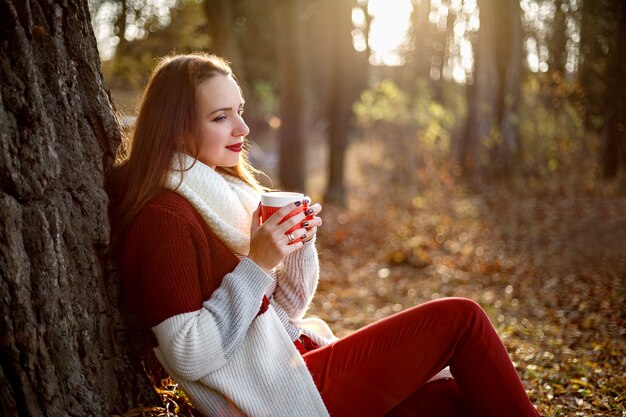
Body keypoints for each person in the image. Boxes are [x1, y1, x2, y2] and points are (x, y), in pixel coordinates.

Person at [108, 52, 541, 417]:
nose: (242, 128)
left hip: (294, 363)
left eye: (239, 110)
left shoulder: (226, 198)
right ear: (177, 127)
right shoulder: (165, 218)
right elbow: (188, 353)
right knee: (461, 319)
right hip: (272, 395)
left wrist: (295, 248)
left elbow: (281, 314)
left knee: (457, 401)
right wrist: (257, 264)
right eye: (222, 117)